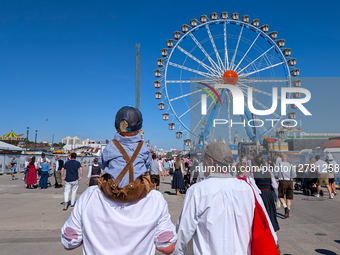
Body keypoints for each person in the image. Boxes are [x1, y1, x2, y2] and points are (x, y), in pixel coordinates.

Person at [62, 106, 177, 254]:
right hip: (138, 190)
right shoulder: (155, 199)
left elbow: (69, 242)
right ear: (140, 127)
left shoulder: (90, 196)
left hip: (110, 188)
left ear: (116, 127)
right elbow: (167, 247)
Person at [173, 142, 278, 255]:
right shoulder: (248, 189)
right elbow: (269, 230)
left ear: (210, 162)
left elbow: (182, 234)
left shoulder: (197, 191)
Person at [253, 155, 280, 235]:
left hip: (260, 196)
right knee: (271, 216)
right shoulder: (269, 172)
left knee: (261, 218)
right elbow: (275, 186)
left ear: (255, 163)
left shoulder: (253, 173)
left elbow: (254, 187)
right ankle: (275, 241)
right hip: (269, 195)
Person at [277, 154, 296, 218]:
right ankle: (288, 210)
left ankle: (285, 207)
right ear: (287, 158)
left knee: (281, 196)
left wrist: (279, 176)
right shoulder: (291, 165)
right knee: (288, 198)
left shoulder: (279, 165)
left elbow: (275, 173)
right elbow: (294, 175)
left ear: (281, 159)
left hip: (282, 181)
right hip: (290, 181)